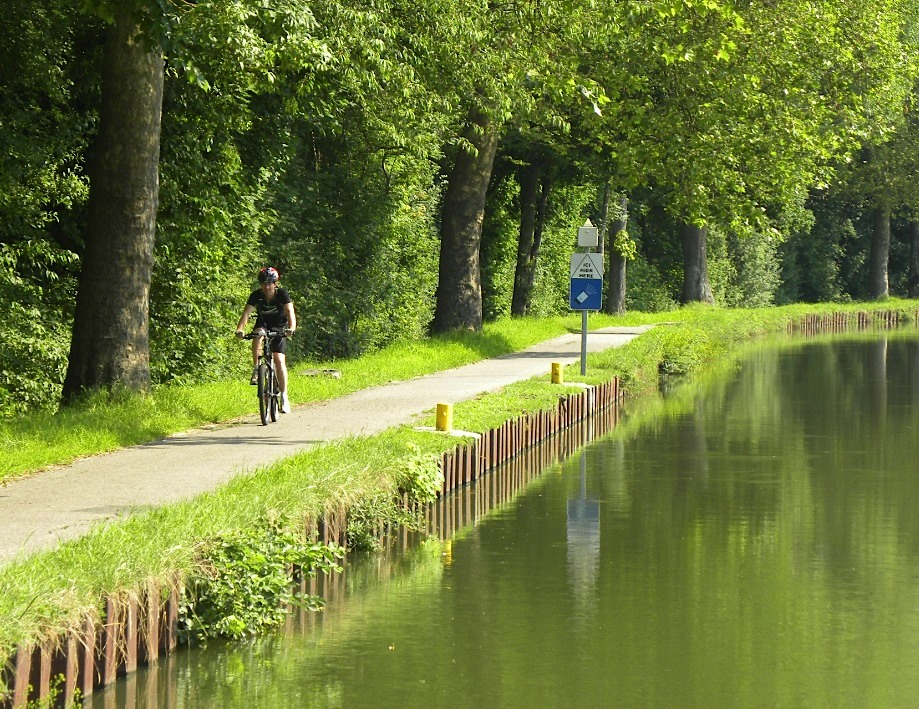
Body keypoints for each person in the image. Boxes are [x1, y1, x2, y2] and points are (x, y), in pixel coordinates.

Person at [235, 266, 297, 414]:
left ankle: (284, 396)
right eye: (263, 284)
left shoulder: (281, 294)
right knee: (257, 335)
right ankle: (257, 368)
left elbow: (289, 311)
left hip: (279, 327)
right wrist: (240, 329)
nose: (266, 287)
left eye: (270, 283)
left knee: (279, 360)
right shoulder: (256, 295)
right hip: (263, 324)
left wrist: (292, 328)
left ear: (275, 284)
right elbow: (246, 313)